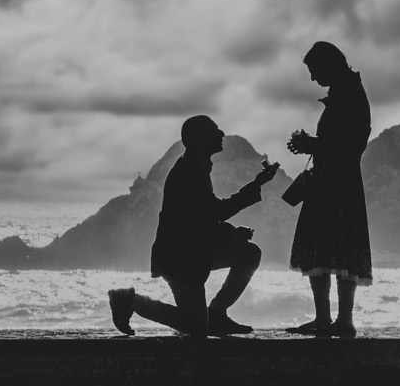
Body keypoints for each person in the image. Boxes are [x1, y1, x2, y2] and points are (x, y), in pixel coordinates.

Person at [109, 114, 278, 336]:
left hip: (195, 253)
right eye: (214, 131)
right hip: (180, 259)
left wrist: (231, 232)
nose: (221, 134)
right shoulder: (188, 172)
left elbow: (202, 217)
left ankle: (217, 313)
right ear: (198, 140)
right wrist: (256, 185)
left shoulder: (196, 167)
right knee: (196, 327)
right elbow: (214, 212)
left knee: (249, 254)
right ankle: (130, 300)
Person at [284, 41, 373, 337]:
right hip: (339, 181)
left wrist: (312, 144)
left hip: (336, 182)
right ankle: (335, 319)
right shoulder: (348, 93)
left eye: (314, 70)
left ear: (328, 65)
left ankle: (336, 319)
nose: (312, 78)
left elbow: (349, 146)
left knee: (325, 248)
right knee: (336, 249)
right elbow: (347, 142)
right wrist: (314, 143)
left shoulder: (348, 96)